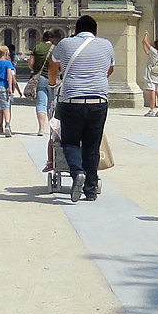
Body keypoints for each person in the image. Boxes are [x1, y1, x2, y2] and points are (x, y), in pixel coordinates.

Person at [48, 15, 116, 203]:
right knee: (92, 146)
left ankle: (77, 172)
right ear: (95, 31)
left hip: (72, 100)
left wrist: (54, 83)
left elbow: (52, 68)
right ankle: (91, 190)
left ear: (76, 31)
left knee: (69, 142)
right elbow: (109, 70)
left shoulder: (64, 44)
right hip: (98, 101)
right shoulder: (106, 45)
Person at [30, 29, 56, 136]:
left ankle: (41, 128)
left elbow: (31, 63)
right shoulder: (56, 49)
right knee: (52, 104)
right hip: (53, 78)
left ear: (43, 38)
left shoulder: (37, 47)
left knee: (41, 103)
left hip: (40, 77)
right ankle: (52, 129)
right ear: (52, 39)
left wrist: (35, 70)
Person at [141, 36, 158, 117]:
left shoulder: (154, 51)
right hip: (157, 75)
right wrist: (143, 44)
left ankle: (152, 110)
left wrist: (145, 36)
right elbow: (147, 52)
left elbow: (146, 42)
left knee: (152, 93)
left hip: (151, 74)